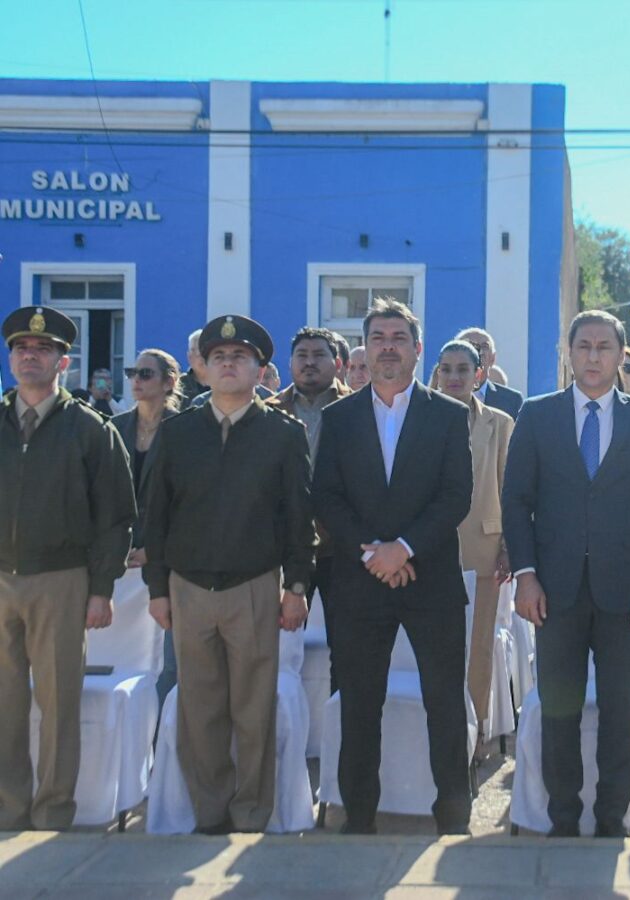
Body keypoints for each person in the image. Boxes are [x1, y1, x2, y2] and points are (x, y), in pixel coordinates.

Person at [502, 309, 630, 837]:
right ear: (569, 354)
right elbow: (516, 501)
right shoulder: (538, 415)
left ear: (622, 355)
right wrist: (526, 575)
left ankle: (609, 819)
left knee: (622, 711)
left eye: (605, 347)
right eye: (584, 346)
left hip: (626, 595)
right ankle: (561, 817)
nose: (594, 356)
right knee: (559, 709)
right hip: (553, 591)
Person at [142, 314, 313, 835]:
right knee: (200, 709)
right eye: (219, 357)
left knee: (253, 710)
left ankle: (251, 813)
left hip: (255, 585)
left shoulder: (283, 434)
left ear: (261, 370)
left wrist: (297, 587)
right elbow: (156, 517)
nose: (229, 364)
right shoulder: (177, 433)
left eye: (240, 358)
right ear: (203, 369)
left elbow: (298, 516)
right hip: (188, 588)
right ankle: (209, 812)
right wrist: (157, 590)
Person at [313, 298, 474, 836]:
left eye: (398, 337)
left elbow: (456, 496)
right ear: (364, 348)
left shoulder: (449, 415)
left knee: (446, 707)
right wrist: (373, 552)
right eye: (378, 337)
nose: (388, 346)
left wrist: (403, 548)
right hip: (359, 585)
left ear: (417, 348)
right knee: (359, 707)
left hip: (432, 583)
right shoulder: (339, 418)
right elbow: (327, 497)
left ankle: (452, 818)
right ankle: (358, 818)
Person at [0, 305, 136, 831]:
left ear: (63, 361)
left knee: (58, 706)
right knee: (5, 705)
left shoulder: (89, 429)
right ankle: (9, 811)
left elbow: (116, 517)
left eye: (42, 349)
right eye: (20, 348)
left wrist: (101, 589)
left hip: (60, 579)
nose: (29, 356)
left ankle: (54, 810)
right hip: (1, 576)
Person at [433, 340, 515, 751]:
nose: (454, 377)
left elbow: (510, 489)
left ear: (478, 374)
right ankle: (440, 731)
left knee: (478, 646)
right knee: (437, 646)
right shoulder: (421, 417)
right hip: (428, 551)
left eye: (463, 369)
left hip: (483, 548)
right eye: (446, 369)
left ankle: (476, 728)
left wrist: (508, 547)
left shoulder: (498, 424)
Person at [267, 327, 352, 690]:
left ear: (337, 363)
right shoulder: (269, 413)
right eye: (302, 356)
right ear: (290, 364)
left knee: (347, 652)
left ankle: (336, 739)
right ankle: (283, 740)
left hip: (341, 547)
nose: (310, 363)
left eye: (319, 355)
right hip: (283, 549)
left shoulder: (358, 408)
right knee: (276, 650)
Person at [112, 350, 182, 706]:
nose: (136, 380)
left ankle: (160, 735)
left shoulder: (184, 430)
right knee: (122, 656)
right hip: (118, 559)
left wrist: (154, 550)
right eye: (132, 372)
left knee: (167, 660)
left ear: (169, 382)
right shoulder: (114, 428)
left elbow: (186, 506)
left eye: (145, 373)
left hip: (166, 559)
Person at [457, 328, 523, 419]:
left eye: (484, 346)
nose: (478, 351)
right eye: (469, 345)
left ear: (493, 358)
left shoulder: (511, 400)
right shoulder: (440, 397)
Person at [178, 329, 207, 403]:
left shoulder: (224, 383)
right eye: (194, 350)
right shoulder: (178, 386)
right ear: (189, 356)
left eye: (204, 350)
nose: (199, 354)